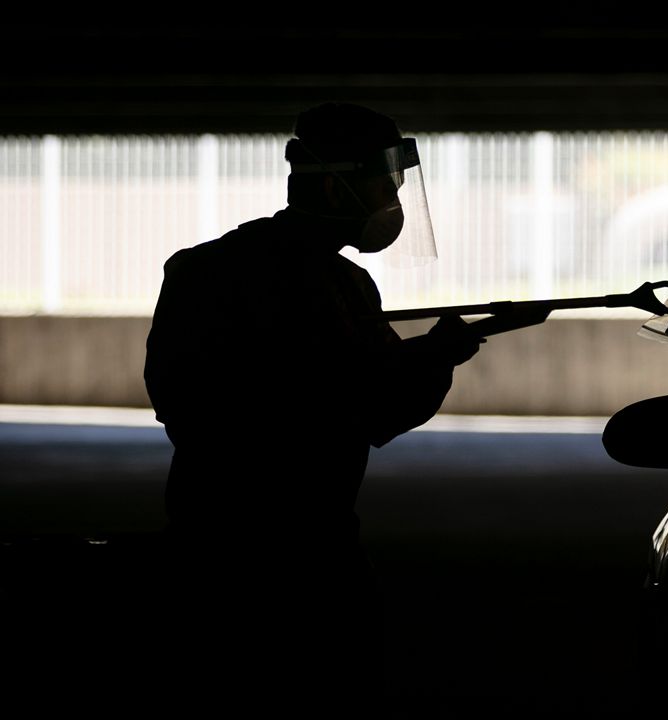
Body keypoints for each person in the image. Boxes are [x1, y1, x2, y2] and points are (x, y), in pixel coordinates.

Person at [143, 102, 481, 716]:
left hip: (294, 545)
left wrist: (433, 358)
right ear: (334, 184)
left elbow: (370, 402)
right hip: (242, 555)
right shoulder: (230, 276)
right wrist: (429, 360)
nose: (394, 200)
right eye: (385, 184)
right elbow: (355, 404)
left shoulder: (327, 282)